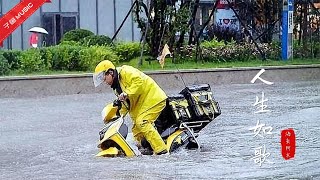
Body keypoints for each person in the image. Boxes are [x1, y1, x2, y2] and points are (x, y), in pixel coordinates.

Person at [93, 60, 168, 155]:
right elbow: (125, 105)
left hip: (154, 98)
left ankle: (162, 151)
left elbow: (139, 82)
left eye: (104, 77)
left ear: (111, 72)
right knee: (136, 130)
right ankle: (146, 149)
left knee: (142, 122)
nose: (104, 81)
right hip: (143, 103)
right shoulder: (116, 88)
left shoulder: (126, 71)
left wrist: (127, 93)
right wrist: (117, 117)